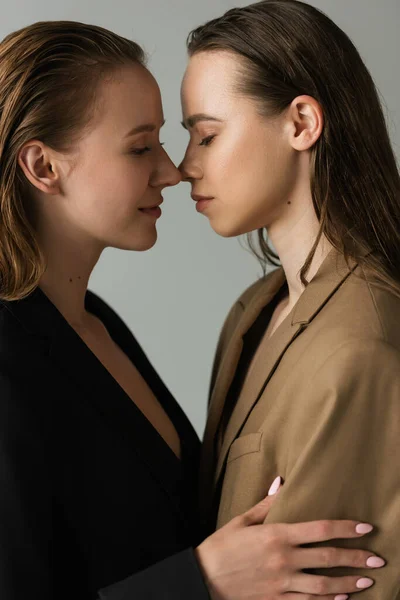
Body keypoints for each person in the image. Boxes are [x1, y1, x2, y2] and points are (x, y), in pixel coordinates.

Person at [0, 18, 386, 600]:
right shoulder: (9, 357)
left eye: (190, 136)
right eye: (140, 146)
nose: (173, 169)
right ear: (44, 168)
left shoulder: (97, 323)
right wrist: (199, 581)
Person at [179, 1, 400, 599]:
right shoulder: (252, 311)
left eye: (207, 135)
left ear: (302, 122)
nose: (184, 166)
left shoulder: (360, 344)